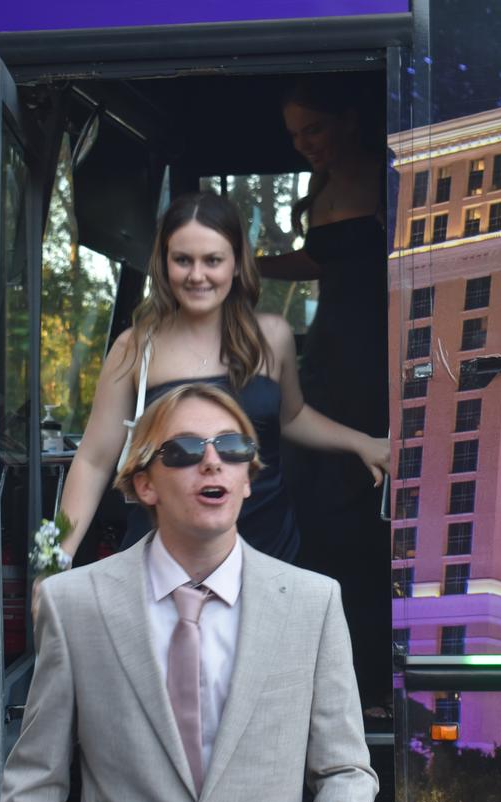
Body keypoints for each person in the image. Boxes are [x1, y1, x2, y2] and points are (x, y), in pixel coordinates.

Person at [0, 382, 378, 802]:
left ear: (248, 480)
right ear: (145, 483)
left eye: (230, 448)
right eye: (184, 450)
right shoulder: (76, 606)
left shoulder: (312, 603)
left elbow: (346, 772)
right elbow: (34, 787)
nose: (211, 460)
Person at [56, 189, 388, 568]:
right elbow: (94, 461)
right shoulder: (135, 348)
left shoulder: (272, 336)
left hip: (266, 553)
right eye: (182, 260)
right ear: (164, 264)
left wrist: (362, 443)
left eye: (212, 260)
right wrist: (55, 559)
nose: (197, 275)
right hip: (162, 565)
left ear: (236, 263)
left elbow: (291, 417)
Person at [258, 76, 391, 711]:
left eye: (312, 128)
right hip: (329, 351)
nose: (304, 143)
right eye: (294, 134)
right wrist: (247, 265)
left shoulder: (390, 177)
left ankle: (371, 678)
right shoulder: (322, 185)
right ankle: (323, 676)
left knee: (360, 507)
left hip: (376, 353)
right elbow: (323, 260)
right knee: (314, 495)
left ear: (347, 119)